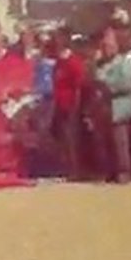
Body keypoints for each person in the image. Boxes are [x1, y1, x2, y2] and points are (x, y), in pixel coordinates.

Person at [95, 28, 131, 183]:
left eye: (109, 45)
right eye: (104, 45)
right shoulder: (101, 65)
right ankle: (110, 170)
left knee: (120, 142)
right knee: (106, 141)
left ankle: (124, 172)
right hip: (104, 108)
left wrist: (108, 85)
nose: (106, 48)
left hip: (119, 107)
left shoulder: (124, 62)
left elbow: (128, 84)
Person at [51, 27, 86, 180]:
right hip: (59, 104)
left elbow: (78, 86)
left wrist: (75, 106)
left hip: (70, 105)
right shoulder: (59, 62)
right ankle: (67, 168)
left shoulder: (74, 62)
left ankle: (75, 170)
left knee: (72, 139)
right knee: (63, 138)